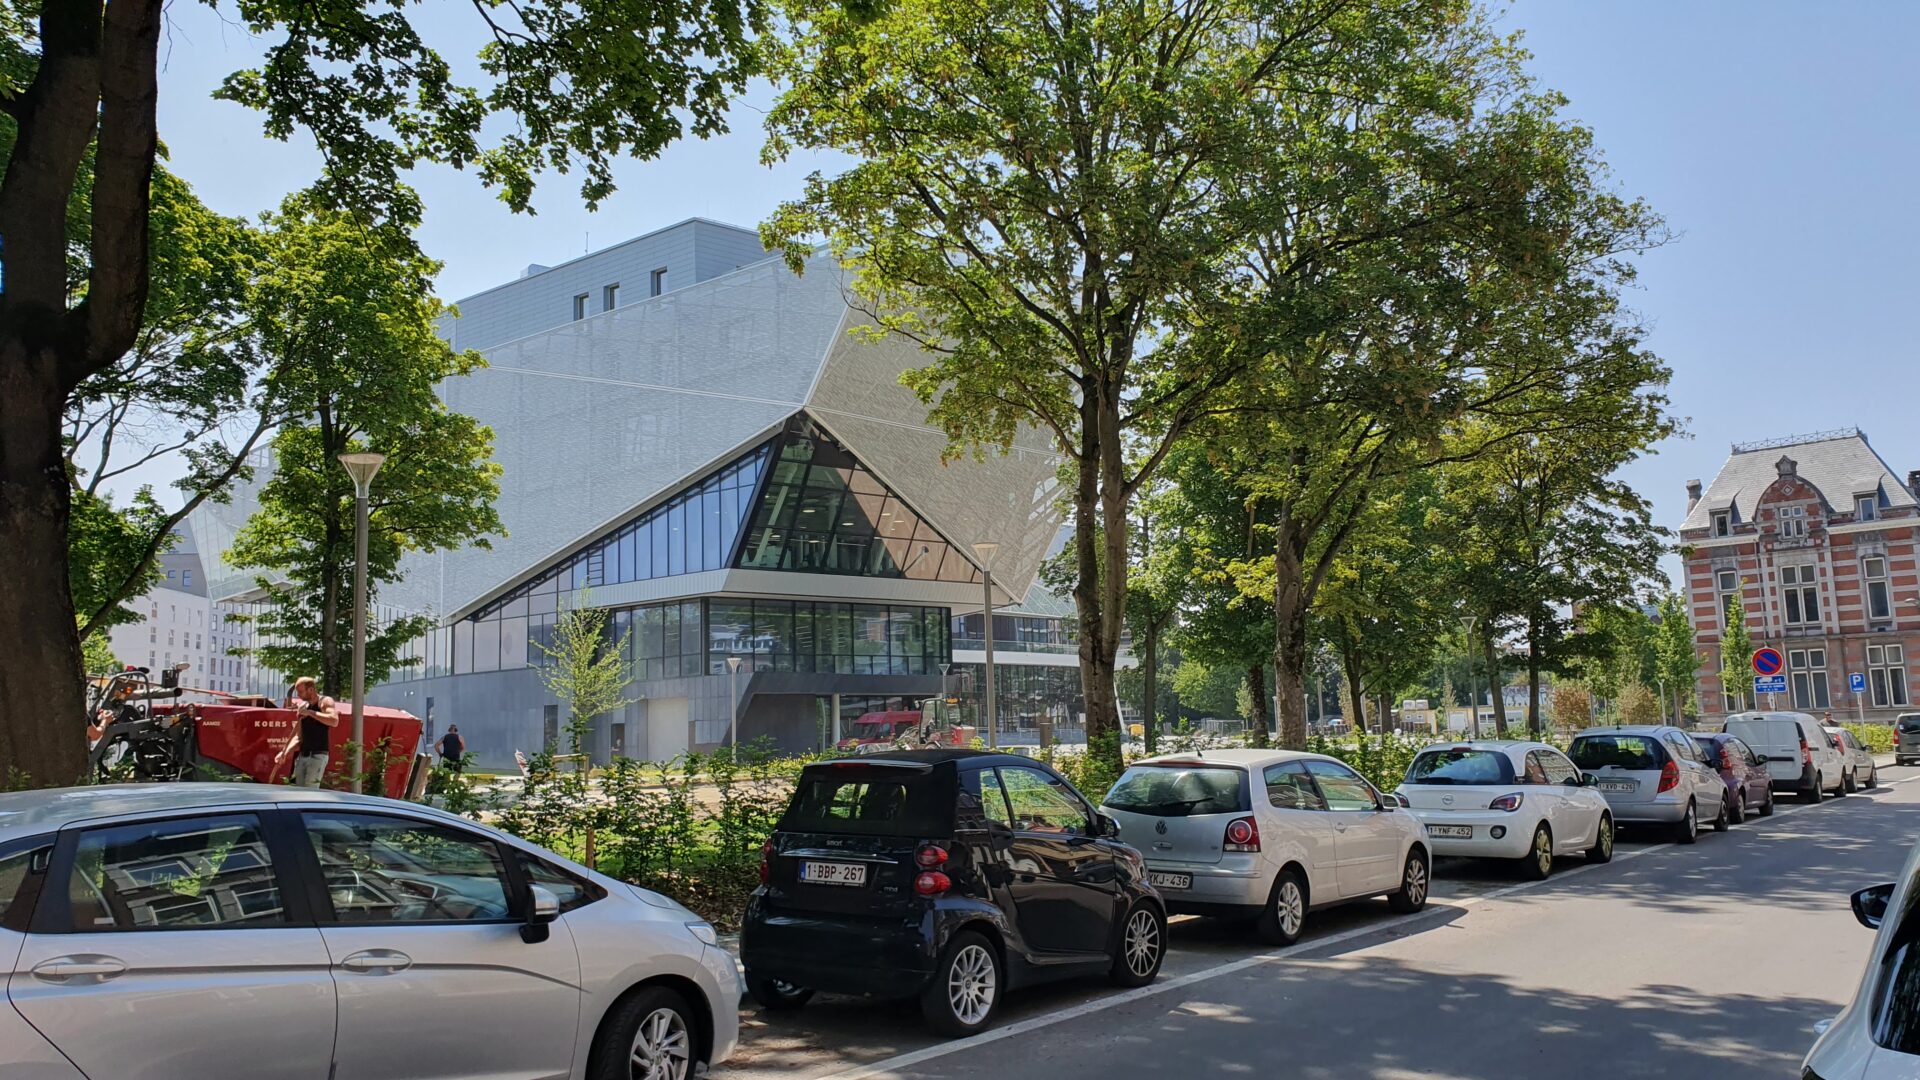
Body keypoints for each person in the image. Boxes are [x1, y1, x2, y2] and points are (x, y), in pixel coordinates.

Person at [287, 677, 339, 787]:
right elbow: (298, 736)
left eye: (301, 692)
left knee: (310, 792)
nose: (299, 695)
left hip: (318, 755)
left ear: (310, 690)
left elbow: (334, 720)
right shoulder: (303, 707)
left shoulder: (325, 702)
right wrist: (285, 752)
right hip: (302, 756)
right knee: (299, 792)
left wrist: (311, 713)